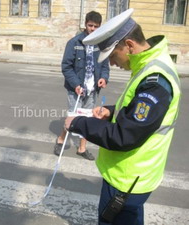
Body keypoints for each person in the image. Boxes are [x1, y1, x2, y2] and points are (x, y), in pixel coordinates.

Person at [65, 8, 181, 225]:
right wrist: (111, 111)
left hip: (128, 178)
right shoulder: (150, 64)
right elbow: (137, 111)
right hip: (131, 175)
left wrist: (79, 123)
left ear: (128, 45)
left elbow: (124, 135)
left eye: (112, 56)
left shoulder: (155, 81)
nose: (110, 64)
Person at [54, 11, 110, 160]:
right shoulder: (75, 43)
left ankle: (82, 148)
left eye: (96, 26)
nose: (93, 29)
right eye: (90, 25)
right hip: (76, 89)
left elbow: (105, 65)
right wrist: (76, 84)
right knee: (73, 117)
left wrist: (104, 78)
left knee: (87, 118)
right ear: (85, 24)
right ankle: (61, 139)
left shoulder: (102, 44)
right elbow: (66, 66)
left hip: (92, 90)